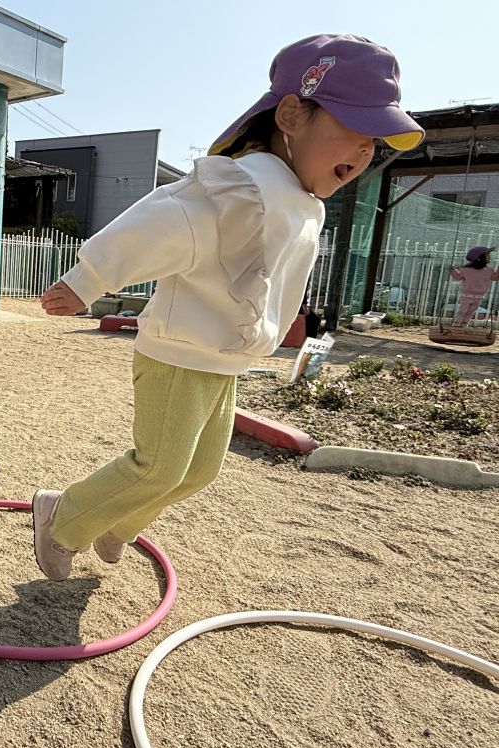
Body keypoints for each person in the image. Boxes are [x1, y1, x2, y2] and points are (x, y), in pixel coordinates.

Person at [31, 34, 425, 581]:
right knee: (160, 465)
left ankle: (116, 524)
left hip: (225, 357)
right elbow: (162, 221)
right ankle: (62, 518)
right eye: (353, 132)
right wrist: (89, 278)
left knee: (198, 470)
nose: (363, 153)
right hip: (180, 349)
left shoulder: (299, 197)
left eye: (373, 143)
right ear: (291, 114)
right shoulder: (244, 185)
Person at [448, 246, 498, 326]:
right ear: (479, 257)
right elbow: (458, 277)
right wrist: (452, 270)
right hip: (466, 295)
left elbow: (495, 277)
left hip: (478, 296)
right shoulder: (466, 269)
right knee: (462, 311)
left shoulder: (489, 270)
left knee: (471, 312)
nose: (490, 257)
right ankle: (456, 325)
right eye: (487, 255)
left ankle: (464, 325)